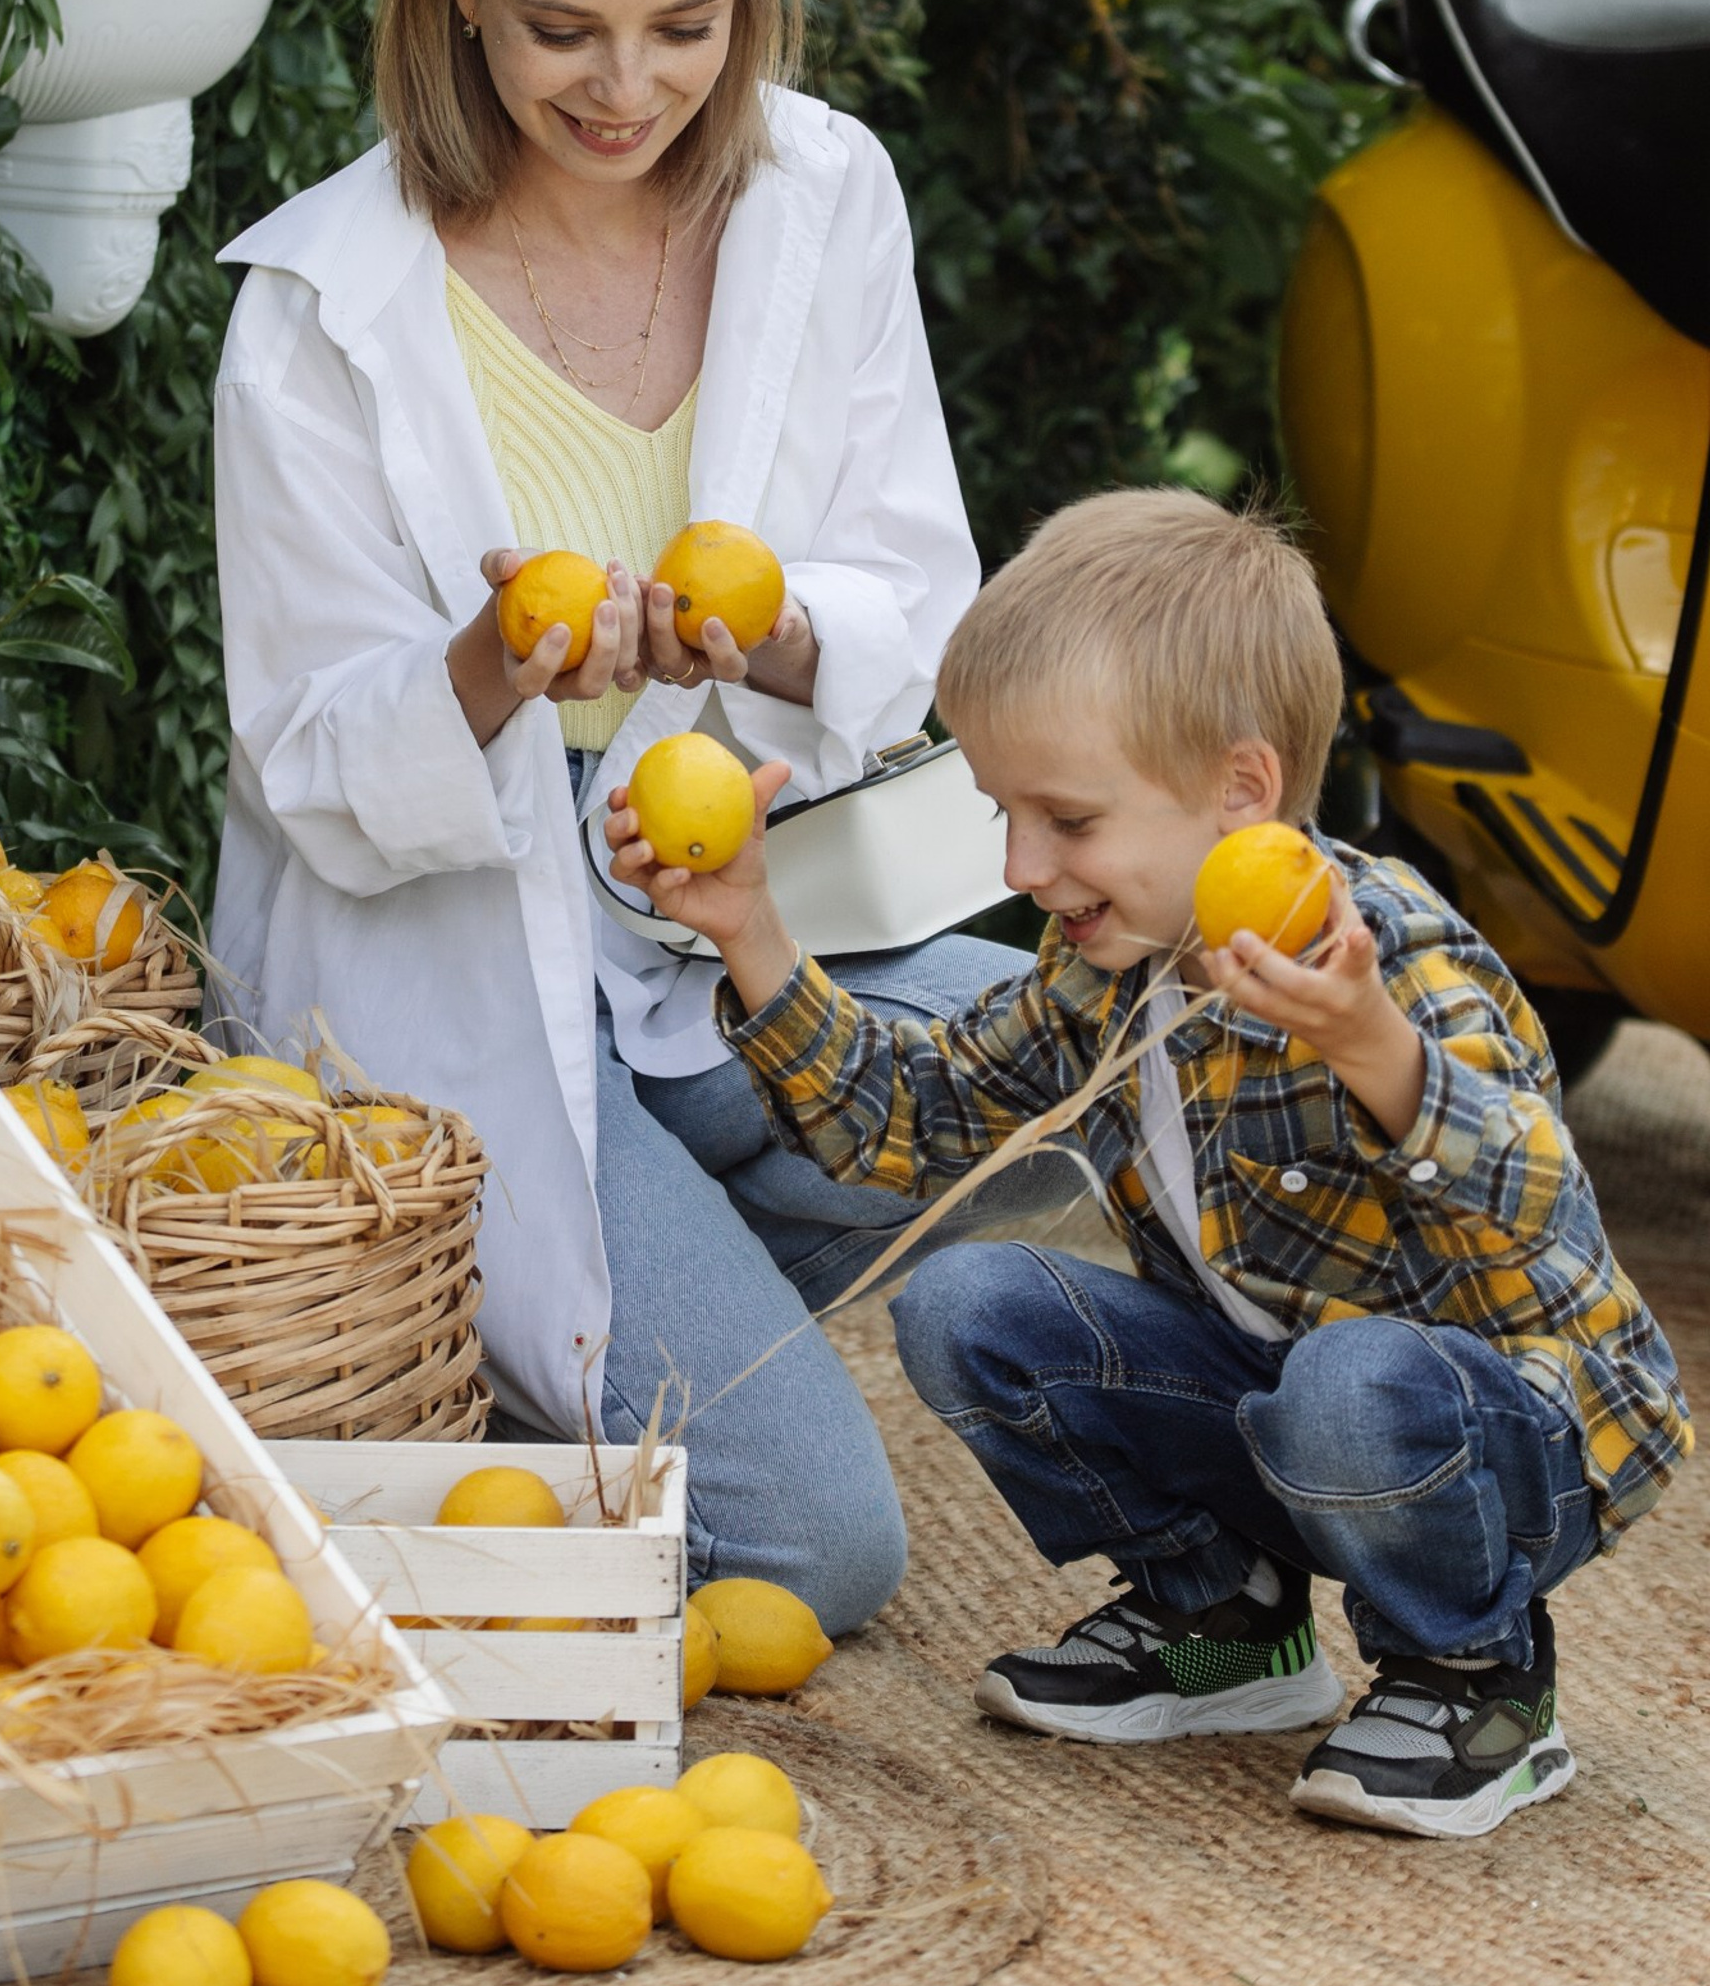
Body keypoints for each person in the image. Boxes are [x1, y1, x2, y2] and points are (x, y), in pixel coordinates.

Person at [208, 0, 1045, 1632]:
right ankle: (547, 1298)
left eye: (689, 26)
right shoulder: (324, 312)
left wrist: (774, 629)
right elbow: (314, 764)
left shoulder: (821, 196)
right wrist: (499, 664)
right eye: (563, 28)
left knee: (1043, 1053)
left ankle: (600, 1294)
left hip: (723, 898)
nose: (627, 86)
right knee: (824, 1552)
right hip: (458, 946)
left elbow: (916, 584)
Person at [608, 487, 1692, 1837]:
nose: (1021, 864)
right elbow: (906, 1122)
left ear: (1240, 791)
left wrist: (1371, 1048)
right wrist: (751, 928)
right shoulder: (1104, 969)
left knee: (1354, 1385)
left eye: (1065, 821)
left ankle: (1478, 1670)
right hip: (1290, 1410)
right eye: (1004, 812)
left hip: (1513, 1434)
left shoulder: (1385, 950)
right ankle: (1228, 1621)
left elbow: (1536, 1212)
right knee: (970, 1309)